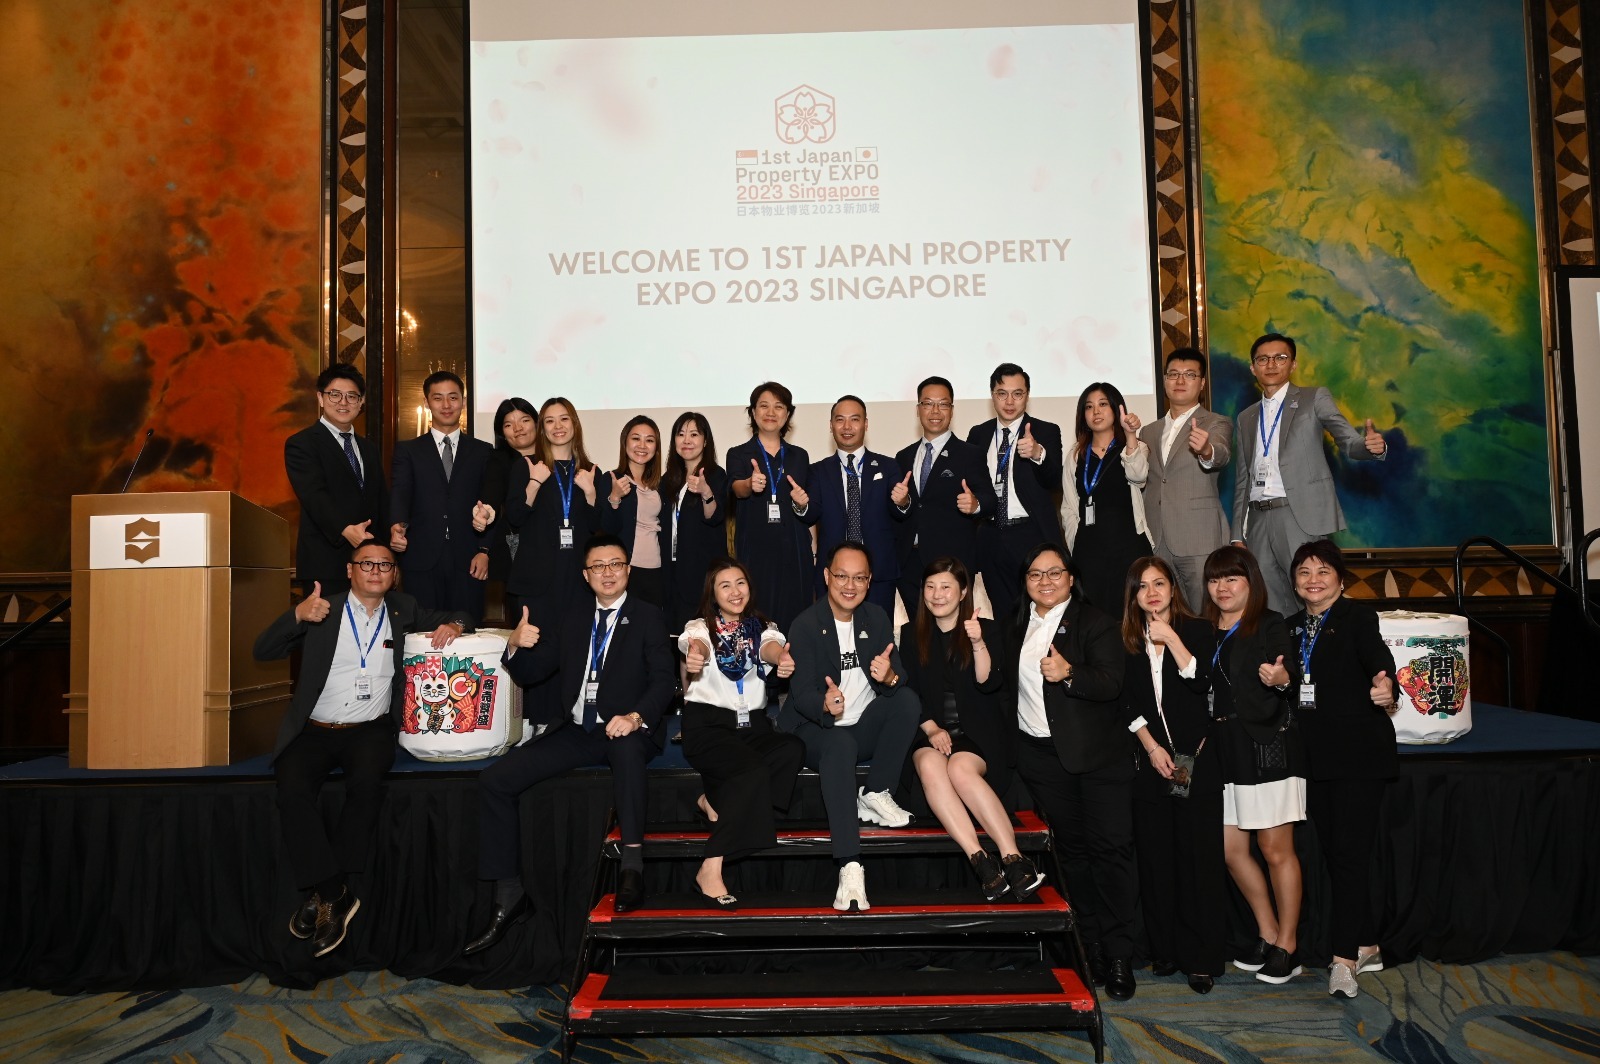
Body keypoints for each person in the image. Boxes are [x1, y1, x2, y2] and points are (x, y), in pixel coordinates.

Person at [253, 542, 469, 957]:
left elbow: (462, 615)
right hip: (314, 729)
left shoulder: (404, 608)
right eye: (366, 563)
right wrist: (297, 615)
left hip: (370, 730)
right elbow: (262, 650)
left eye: (385, 564)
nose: (375, 570)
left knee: (367, 784)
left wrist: (456, 625)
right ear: (350, 570)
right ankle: (334, 892)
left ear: (394, 574)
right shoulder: (323, 609)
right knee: (291, 790)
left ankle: (322, 896)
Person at [464, 534, 674, 955]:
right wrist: (513, 646)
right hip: (578, 731)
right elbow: (534, 671)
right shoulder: (573, 617)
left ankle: (632, 869)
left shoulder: (648, 616)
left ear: (628, 570)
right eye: (598, 566)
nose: (607, 573)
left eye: (615, 564)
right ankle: (510, 893)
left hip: (629, 727)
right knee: (495, 780)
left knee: (627, 750)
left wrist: (635, 717)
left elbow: (664, 680)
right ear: (585, 575)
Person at [1006, 543, 1137, 1000]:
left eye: (1054, 572)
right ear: (1025, 581)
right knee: (1072, 858)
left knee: (1111, 853)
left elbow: (1112, 683)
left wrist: (1069, 673)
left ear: (1070, 578)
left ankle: (1120, 954)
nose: (1045, 581)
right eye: (1035, 574)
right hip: (1042, 760)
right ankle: (1091, 947)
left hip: (1099, 760)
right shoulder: (1014, 624)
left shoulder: (1097, 622)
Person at [778, 541, 921, 912]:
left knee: (906, 700)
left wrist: (889, 678)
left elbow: (898, 676)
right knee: (840, 743)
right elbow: (801, 694)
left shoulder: (876, 617)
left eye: (859, 578)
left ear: (870, 582)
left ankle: (875, 792)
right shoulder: (806, 624)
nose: (850, 585)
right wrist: (823, 704)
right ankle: (850, 865)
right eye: (842, 576)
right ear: (827, 576)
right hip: (816, 731)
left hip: (861, 729)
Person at [1286, 540, 1397, 999]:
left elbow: (1379, 660)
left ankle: (1344, 959)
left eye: (1323, 571)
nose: (1313, 580)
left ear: (1340, 578)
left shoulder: (1358, 618)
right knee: (1336, 854)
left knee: (1349, 855)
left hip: (1358, 755)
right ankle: (1368, 942)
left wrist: (1386, 685)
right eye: (1304, 572)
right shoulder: (1291, 628)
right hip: (1314, 759)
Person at [901, 557, 1042, 903]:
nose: (937, 594)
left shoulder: (988, 629)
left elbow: (988, 682)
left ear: (963, 591)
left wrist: (978, 642)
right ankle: (981, 861)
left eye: (946, 587)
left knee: (959, 768)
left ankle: (1014, 859)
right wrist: (932, 728)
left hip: (978, 736)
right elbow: (909, 692)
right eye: (930, 587)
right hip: (930, 730)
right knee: (930, 764)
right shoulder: (911, 634)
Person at [1119, 556, 1224, 994]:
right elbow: (1124, 701)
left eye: (1159, 583)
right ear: (1133, 596)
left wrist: (1172, 639)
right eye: (1142, 586)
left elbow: (1201, 683)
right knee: (1156, 861)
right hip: (1150, 763)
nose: (1152, 592)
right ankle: (1165, 950)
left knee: (1196, 861)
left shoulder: (1197, 630)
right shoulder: (1126, 639)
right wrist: (1150, 746)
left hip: (1194, 761)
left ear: (1173, 588)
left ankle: (1199, 958)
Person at [1201, 544, 1304, 984]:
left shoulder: (1269, 622)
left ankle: (1289, 945)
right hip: (1222, 751)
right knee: (1231, 851)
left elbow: (1289, 669)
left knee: (1275, 850)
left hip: (1265, 746)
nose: (1222, 587)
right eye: (1214, 579)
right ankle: (1267, 931)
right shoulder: (1203, 629)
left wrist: (1281, 678)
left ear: (1250, 582)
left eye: (1232, 578)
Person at [1231, 333, 1389, 616]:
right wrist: (1236, 534)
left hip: (1299, 514)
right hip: (1257, 519)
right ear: (1253, 367)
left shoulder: (1313, 398)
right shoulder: (1246, 417)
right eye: (1263, 359)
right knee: (1269, 604)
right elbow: (1243, 478)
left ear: (1293, 364)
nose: (1271, 364)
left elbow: (1347, 440)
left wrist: (1369, 448)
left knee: (1313, 596)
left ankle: (1319, 645)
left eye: (1280, 357)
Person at [679, 560, 806, 908]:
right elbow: (696, 645)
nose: (735, 592)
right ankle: (711, 867)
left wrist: (781, 659)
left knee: (791, 749)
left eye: (741, 583)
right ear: (713, 593)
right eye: (725, 585)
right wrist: (696, 655)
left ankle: (717, 802)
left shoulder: (762, 627)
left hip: (752, 724)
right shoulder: (700, 627)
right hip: (708, 725)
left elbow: (770, 647)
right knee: (752, 770)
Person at [388, 371, 497, 619]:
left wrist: (484, 550)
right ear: (427, 402)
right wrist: (396, 526)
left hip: (469, 557)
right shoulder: (408, 450)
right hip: (421, 556)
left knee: (468, 628)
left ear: (463, 402)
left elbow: (490, 502)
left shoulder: (483, 451)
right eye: (438, 398)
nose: (446, 405)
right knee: (422, 630)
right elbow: (401, 491)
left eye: (453, 397)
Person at [1135, 349, 1234, 611]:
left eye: (1189, 375)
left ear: (1202, 383)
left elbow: (1221, 453)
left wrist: (1206, 450)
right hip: (1157, 539)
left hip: (1199, 537)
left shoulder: (1216, 422)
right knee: (1165, 614)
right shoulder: (1149, 431)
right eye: (1173, 374)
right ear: (1164, 380)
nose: (1180, 381)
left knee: (1207, 612)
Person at [966, 363, 1065, 620]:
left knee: (1040, 613)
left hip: (1030, 535)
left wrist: (1038, 453)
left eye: (1017, 394)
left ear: (1027, 396)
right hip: (990, 536)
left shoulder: (1046, 431)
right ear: (992, 395)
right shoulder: (978, 434)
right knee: (1002, 617)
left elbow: (1055, 480)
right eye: (1002, 394)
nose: (1009, 402)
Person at [894, 376, 996, 617]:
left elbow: (990, 500)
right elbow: (907, 508)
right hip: (910, 563)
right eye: (928, 403)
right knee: (917, 631)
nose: (935, 411)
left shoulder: (969, 454)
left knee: (952, 631)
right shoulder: (903, 456)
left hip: (952, 563)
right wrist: (902, 504)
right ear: (918, 409)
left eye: (943, 404)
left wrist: (976, 504)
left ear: (952, 409)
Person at [284, 364, 389, 594]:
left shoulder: (369, 449)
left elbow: (380, 501)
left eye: (352, 396)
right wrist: (345, 529)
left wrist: (389, 552)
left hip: (371, 565)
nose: (343, 402)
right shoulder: (302, 444)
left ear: (361, 402)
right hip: (325, 563)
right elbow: (314, 495)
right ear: (320, 398)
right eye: (335, 395)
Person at [800, 395, 907, 613]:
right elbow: (811, 514)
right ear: (831, 426)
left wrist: (903, 501)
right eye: (840, 420)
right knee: (832, 632)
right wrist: (801, 505)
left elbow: (900, 513)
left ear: (865, 424)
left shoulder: (887, 466)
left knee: (877, 630)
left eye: (855, 419)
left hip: (878, 572)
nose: (847, 426)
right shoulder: (818, 471)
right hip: (834, 574)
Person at [727, 382, 814, 630]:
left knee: (795, 621)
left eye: (779, 406)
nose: (771, 412)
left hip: (794, 550)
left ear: (788, 414)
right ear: (753, 412)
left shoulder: (799, 456)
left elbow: (807, 508)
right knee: (756, 618)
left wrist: (802, 503)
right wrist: (749, 483)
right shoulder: (739, 454)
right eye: (764, 406)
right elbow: (736, 488)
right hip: (755, 550)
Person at [503, 397, 599, 620]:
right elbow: (515, 518)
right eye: (550, 421)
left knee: (576, 641)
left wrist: (590, 493)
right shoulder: (527, 466)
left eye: (564, 419)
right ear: (542, 429)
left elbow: (596, 526)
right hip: (537, 580)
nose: (558, 426)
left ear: (574, 424)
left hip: (578, 579)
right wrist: (534, 483)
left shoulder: (590, 471)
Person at [1060, 382, 1152, 615]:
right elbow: (1069, 507)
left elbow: (1139, 476)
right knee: (1094, 617)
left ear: (1116, 408)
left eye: (1103, 404)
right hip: (1089, 550)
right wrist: (1075, 542)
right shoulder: (1075, 455)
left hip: (1129, 547)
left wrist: (1130, 436)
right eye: (1089, 407)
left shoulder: (1135, 447)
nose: (1096, 411)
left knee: (1132, 615)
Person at [599, 415, 667, 608]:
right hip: (626, 568)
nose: (642, 446)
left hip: (656, 569)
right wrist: (615, 497)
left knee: (653, 622)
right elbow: (607, 529)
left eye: (649, 440)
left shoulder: (660, 485)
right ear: (625, 442)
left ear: (656, 447)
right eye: (636, 438)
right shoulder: (611, 479)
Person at [481, 397, 540, 619]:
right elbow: (491, 494)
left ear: (537, 423)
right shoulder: (498, 461)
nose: (518, 428)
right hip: (517, 555)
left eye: (524, 420)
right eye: (508, 424)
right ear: (502, 433)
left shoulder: (556, 458)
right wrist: (485, 512)